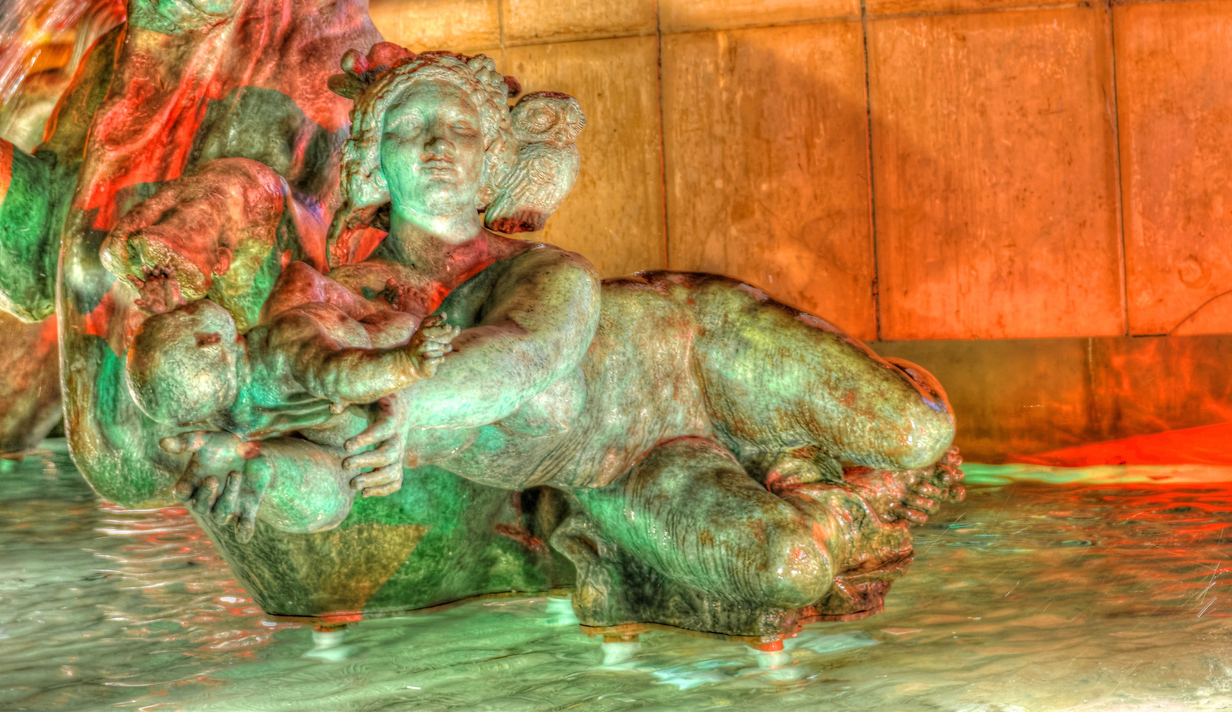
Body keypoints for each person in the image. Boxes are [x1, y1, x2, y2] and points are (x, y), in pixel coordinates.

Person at [146, 47, 962, 613]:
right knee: (788, 567)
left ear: (494, 159)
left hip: (698, 350)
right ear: (371, 163)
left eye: (461, 129)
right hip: (624, 467)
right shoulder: (338, 305)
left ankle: (835, 460)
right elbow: (328, 485)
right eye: (408, 129)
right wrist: (256, 477)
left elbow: (525, 355)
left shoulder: (544, 270)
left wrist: (404, 404)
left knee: (918, 429)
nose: (437, 146)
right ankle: (842, 498)